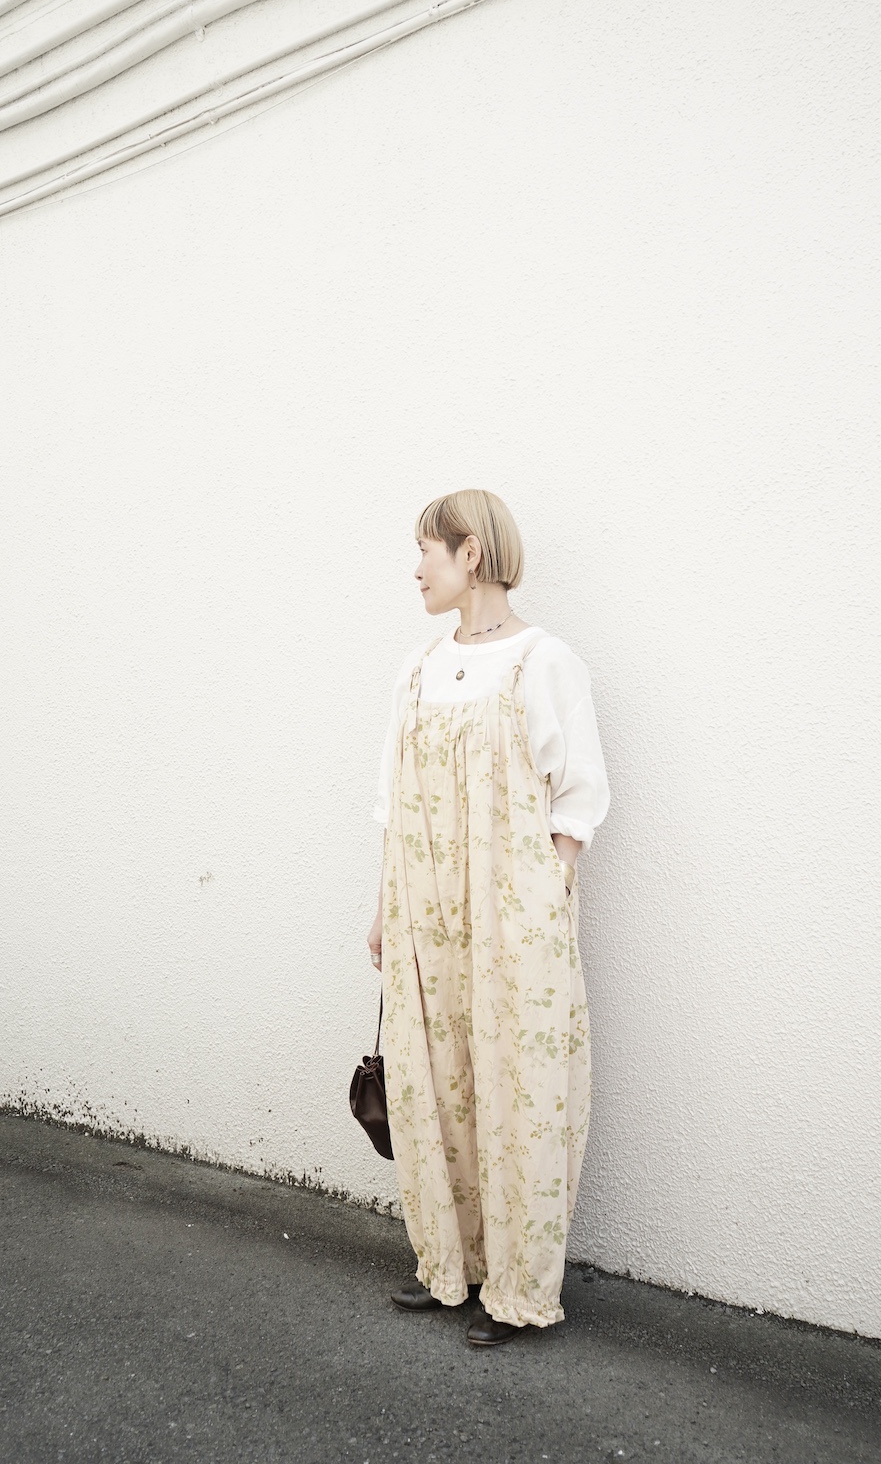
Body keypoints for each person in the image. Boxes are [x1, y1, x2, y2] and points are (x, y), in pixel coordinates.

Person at [367, 489, 609, 1347]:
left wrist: (545, 889)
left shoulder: (543, 662)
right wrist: (384, 908)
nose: (416, 569)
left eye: (426, 549)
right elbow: (394, 802)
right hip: (424, 906)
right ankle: (450, 1266)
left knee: (519, 1086)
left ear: (470, 552)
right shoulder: (418, 668)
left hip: (512, 911)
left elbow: (578, 794)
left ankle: (516, 1288)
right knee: (436, 1080)